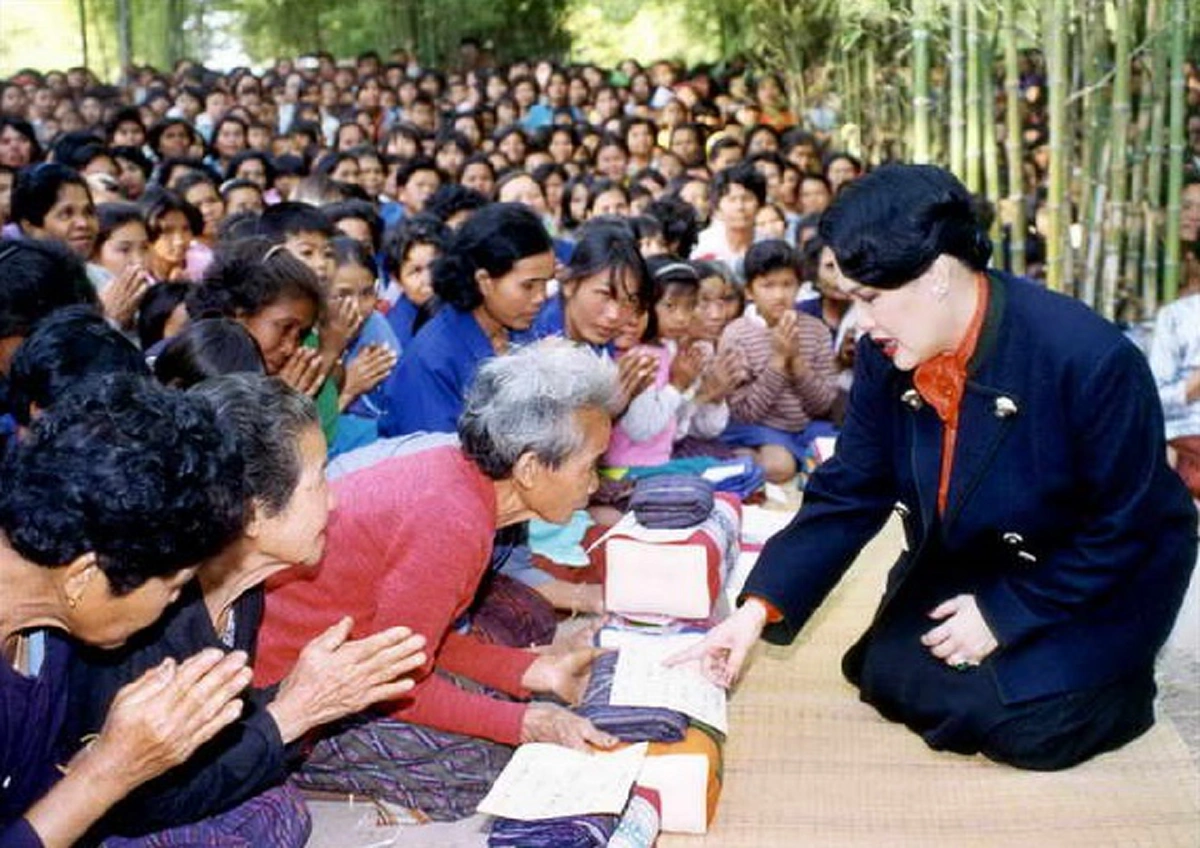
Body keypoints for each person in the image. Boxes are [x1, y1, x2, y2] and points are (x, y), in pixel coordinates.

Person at [672, 165, 1198, 771]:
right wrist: (755, 612)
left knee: (1025, 730)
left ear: (940, 274)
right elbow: (852, 487)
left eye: (871, 298)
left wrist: (1005, 614)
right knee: (887, 670)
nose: (862, 322)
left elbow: (1124, 528)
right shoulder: (887, 348)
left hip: (1097, 571)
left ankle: (1121, 682)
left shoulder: (1090, 359)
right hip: (981, 551)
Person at [65, 375, 427, 841]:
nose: (334, 502)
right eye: (319, 480)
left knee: (281, 809)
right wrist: (293, 712)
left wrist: (301, 695)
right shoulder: (144, 614)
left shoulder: (246, 590)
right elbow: (136, 800)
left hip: (165, 788)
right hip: (104, 819)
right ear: (253, 513)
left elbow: (217, 735)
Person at [0, 374, 254, 846]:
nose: (175, 602)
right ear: (84, 577)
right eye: (175, 585)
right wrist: (108, 772)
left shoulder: (46, 632)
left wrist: (129, 747)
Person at [378, 202, 555, 436]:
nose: (541, 297)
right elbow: (433, 461)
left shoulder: (522, 329)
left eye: (546, 282)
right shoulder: (432, 360)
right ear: (484, 281)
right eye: (529, 286)